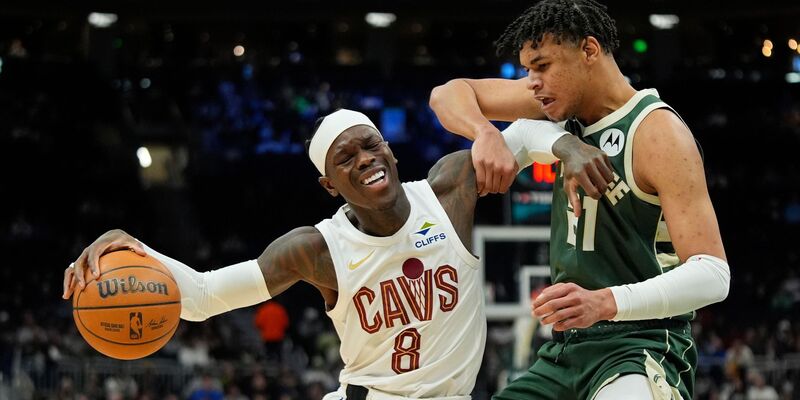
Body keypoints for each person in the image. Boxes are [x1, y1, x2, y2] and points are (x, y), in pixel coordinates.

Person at [62, 109, 605, 400]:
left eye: (372, 144)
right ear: (329, 184)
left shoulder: (448, 191)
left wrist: (568, 147)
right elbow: (202, 297)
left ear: (389, 150)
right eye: (348, 158)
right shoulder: (314, 249)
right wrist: (135, 246)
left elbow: (525, 133)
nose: (367, 158)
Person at [428, 1, 731, 399]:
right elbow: (447, 94)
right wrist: (485, 132)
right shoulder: (554, 110)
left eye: (542, 66)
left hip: (642, 345)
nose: (532, 82)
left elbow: (713, 274)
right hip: (566, 350)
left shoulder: (658, 132)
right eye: (527, 71)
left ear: (589, 51)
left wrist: (605, 302)